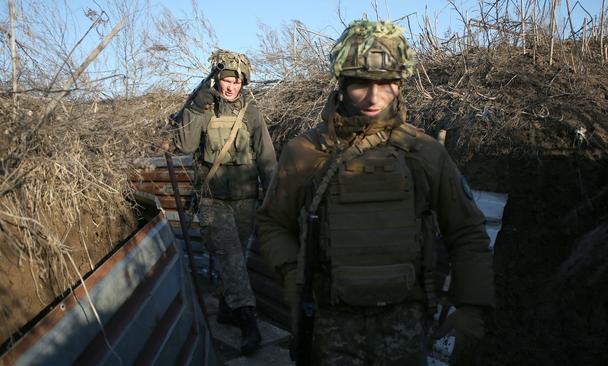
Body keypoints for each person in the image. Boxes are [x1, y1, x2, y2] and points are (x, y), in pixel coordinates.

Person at [257, 20, 494, 365]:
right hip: (329, 322)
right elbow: (273, 223)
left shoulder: (424, 152)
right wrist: (294, 279)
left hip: (405, 323)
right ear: (342, 83)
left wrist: (472, 306)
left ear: (400, 83)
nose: (373, 97)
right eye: (361, 84)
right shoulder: (305, 152)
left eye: (387, 84)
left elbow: (467, 231)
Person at [169, 50, 277, 355]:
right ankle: (247, 320)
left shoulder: (252, 114)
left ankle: (227, 310)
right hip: (212, 200)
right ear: (218, 79)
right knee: (229, 255)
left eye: (236, 80)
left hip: (245, 200)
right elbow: (185, 144)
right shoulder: (203, 108)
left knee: (236, 258)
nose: (230, 86)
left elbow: (267, 158)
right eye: (226, 79)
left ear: (243, 83)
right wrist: (193, 106)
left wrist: (272, 196)